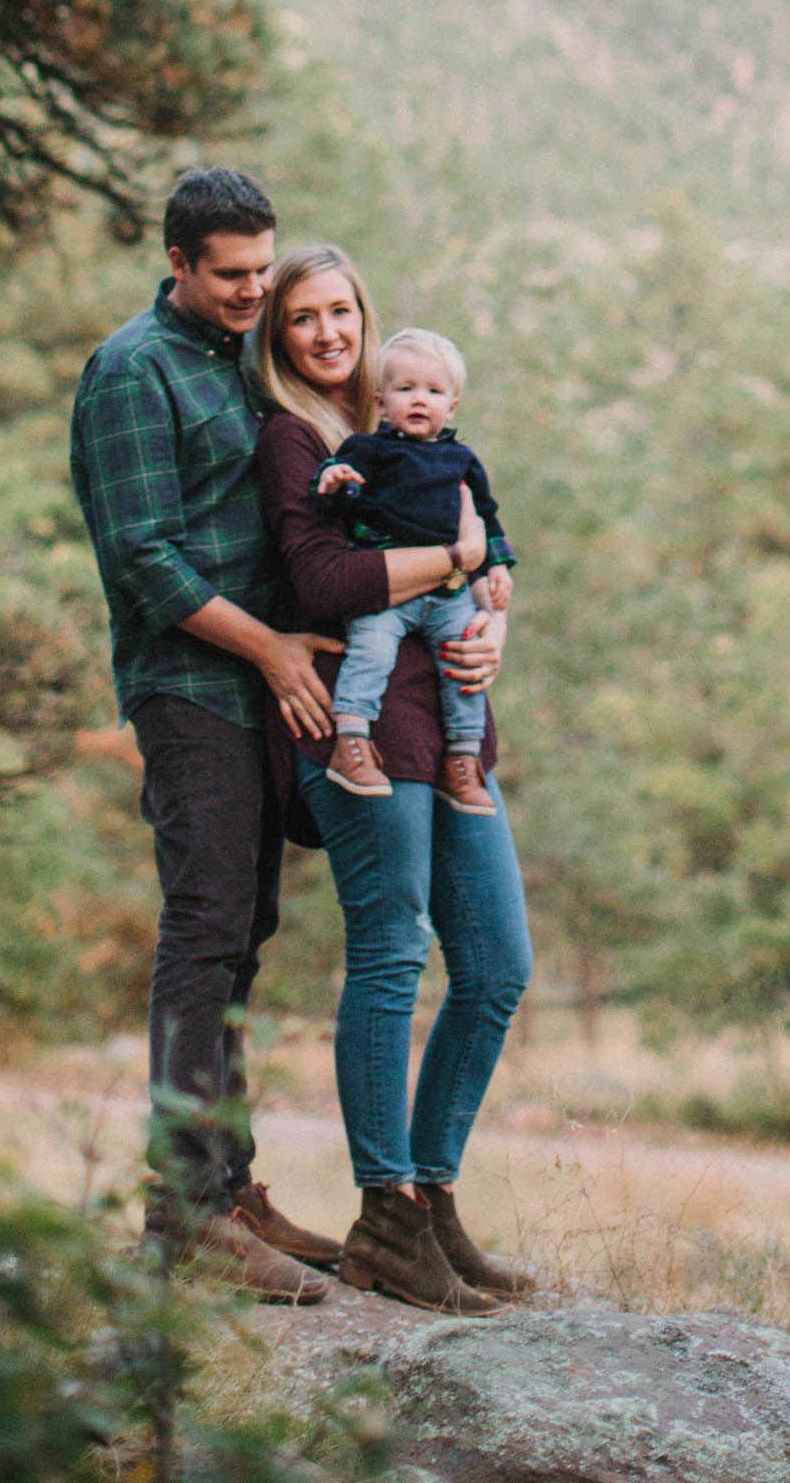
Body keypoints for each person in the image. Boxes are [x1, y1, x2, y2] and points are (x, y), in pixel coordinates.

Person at [68, 165, 345, 1298]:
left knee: (246, 933)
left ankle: (228, 1188)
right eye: (227, 275)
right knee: (202, 934)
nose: (250, 292)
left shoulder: (244, 357)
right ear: (176, 263)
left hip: (260, 692)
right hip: (191, 688)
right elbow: (142, 557)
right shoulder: (130, 372)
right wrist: (271, 648)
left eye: (259, 272)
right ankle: (180, 1215)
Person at [253, 246, 535, 1316]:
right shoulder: (297, 439)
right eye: (301, 318)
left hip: (449, 728)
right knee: (388, 955)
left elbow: (479, 551)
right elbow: (320, 578)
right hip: (359, 735)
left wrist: (488, 613)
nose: (326, 333)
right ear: (276, 336)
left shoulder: (420, 436)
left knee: (496, 967)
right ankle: (387, 1216)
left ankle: (434, 1196)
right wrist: (458, 561)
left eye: (341, 312)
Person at [315, 326, 518, 814]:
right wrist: (334, 481)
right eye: (406, 389)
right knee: (370, 654)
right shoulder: (369, 450)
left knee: (464, 660)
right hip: (389, 587)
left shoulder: (462, 461)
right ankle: (352, 743)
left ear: (452, 406)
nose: (419, 400)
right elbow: (341, 500)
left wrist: (499, 566)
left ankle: (462, 761)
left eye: (433, 391)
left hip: (448, 594)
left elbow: (485, 520)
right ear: (382, 402)